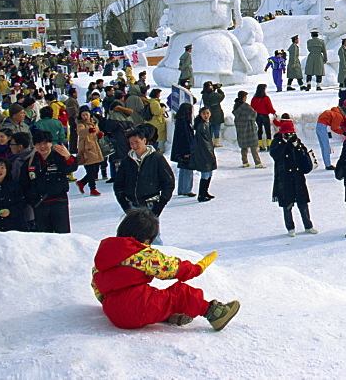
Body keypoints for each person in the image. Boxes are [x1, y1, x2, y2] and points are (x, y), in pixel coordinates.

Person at [91, 209, 239, 330]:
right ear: (147, 240)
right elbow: (171, 268)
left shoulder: (103, 257)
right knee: (180, 293)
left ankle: (169, 315)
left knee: (155, 296)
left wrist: (115, 305)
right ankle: (215, 313)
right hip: (136, 310)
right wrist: (197, 268)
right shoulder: (143, 255)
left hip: (113, 313)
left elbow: (97, 288)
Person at [114, 127, 175, 220]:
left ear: (144, 140)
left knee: (150, 233)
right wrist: (124, 204)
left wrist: (160, 205)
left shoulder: (156, 158)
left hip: (151, 205)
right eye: (131, 143)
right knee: (133, 233)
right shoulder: (126, 161)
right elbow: (118, 183)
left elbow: (169, 182)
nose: (134, 146)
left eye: (136, 142)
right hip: (132, 205)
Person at [269, 124, 318, 237]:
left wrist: (298, 148)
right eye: (287, 134)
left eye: (291, 133)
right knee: (287, 204)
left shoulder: (297, 142)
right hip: (284, 177)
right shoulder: (277, 142)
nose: (290, 136)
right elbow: (275, 154)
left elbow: (305, 159)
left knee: (303, 204)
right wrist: (284, 143)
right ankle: (290, 227)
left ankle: (308, 225)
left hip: (298, 177)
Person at [26, 129, 79, 233]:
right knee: (44, 236)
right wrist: (32, 199)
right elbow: (25, 182)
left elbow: (71, 168)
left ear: (50, 143)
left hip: (59, 202)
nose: (42, 147)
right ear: (34, 146)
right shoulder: (31, 161)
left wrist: (68, 156)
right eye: (38, 144)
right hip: (40, 204)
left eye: (45, 143)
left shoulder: (59, 156)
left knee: (63, 235)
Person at [74, 107, 104, 196]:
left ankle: (82, 182)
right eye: (83, 115)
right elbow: (80, 132)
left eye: (86, 114)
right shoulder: (81, 124)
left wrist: (99, 134)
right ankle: (92, 188)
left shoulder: (94, 123)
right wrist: (88, 130)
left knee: (95, 170)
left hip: (95, 148)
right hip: (86, 149)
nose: (85, 116)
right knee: (91, 170)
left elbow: (96, 133)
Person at [190, 108, 217, 202]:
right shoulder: (202, 126)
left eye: (207, 113)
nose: (206, 115)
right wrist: (209, 153)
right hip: (204, 153)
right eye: (204, 113)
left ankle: (205, 192)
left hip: (206, 152)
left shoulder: (206, 124)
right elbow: (204, 143)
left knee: (209, 172)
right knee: (205, 172)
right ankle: (202, 194)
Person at [232, 91, 263, 168]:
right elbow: (254, 114)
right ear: (243, 97)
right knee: (253, 146)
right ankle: (257, 162)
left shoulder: (236, 106)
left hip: (240, 128)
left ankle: (245, 162)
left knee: (244, 146)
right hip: (249, 127)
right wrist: (250, 119)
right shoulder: (245, 106)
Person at [170, 103, 196, 197]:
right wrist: (187, 151)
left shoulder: (180, 121)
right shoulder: (184, 122)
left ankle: (182, 189)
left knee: (183, 170)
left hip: (181, 150)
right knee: (187, 170)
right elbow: (185, 138)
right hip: (185, 150)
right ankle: (186, 189)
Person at [250, 84, 276, 152]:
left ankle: (261, 146)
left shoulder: (254, 98)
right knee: (268, 131)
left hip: (257, 116)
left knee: (259, 131)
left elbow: (252, 108)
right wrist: (273, 112)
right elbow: (269, 107)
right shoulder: (266, 98)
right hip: (265, 116)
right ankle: (269, 145)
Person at [201, 82, 225, 148]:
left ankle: (210, 141)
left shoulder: (204, 96)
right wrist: (218, 89)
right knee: (217, 128)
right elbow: (221, 96)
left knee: (209, 128)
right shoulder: (215, 95)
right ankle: (217, 142)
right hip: (217, 113)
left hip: (208, 113)